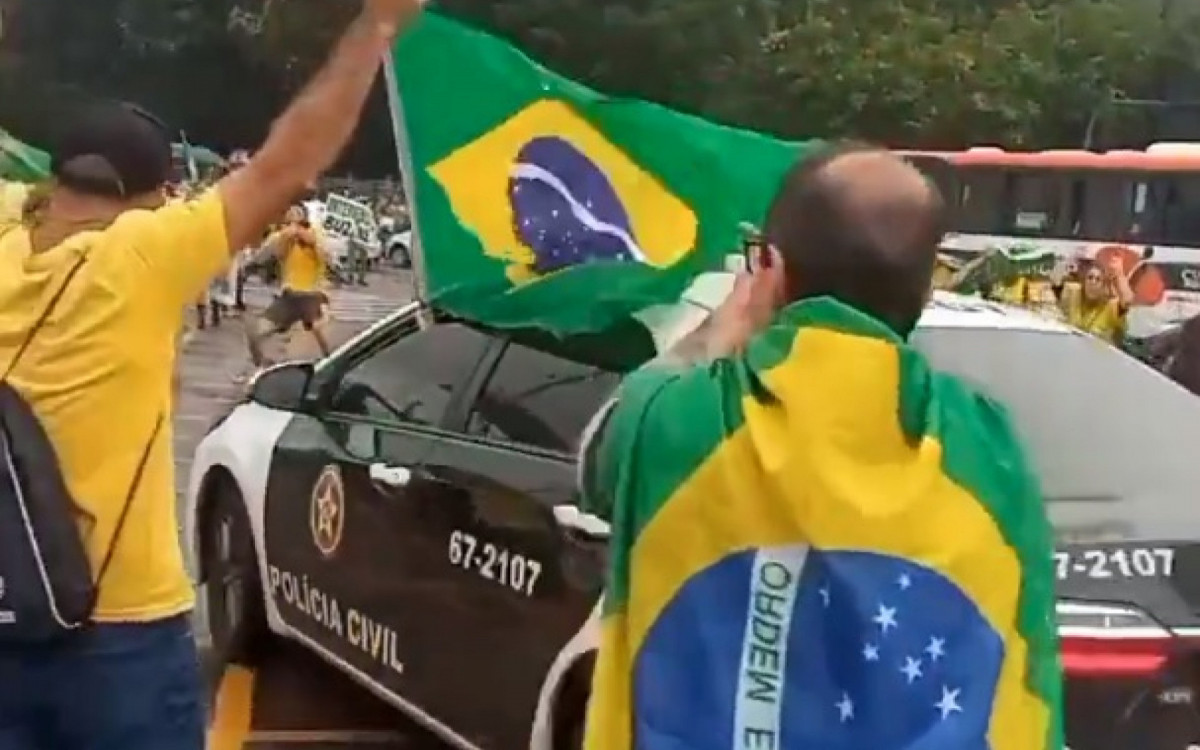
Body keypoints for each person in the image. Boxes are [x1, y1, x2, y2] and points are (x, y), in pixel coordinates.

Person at [0, 1, 424, 748]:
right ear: (156, 195)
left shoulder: (9, 224)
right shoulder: (140, 254)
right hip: (116, 629)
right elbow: (287, 164)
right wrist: (379, 26)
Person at [578, 144, 1061, 750]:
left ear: (770, 271)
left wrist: (717, 335)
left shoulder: (681, 419)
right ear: (921, 291)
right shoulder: (988, 446)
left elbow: (600, 465)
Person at [243, 204, 333, 372]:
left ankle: (332, 362)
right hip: (289, 297)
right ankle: (263, 366)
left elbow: (328, 254)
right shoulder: (282, 237)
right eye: (289, 214)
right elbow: (265, 253)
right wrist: (250, 263)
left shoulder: (316, 233)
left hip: (312, 295)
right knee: (255, 333)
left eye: (296, 214)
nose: (291, 218)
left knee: (319, 329)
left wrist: (306, 237)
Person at [1052, 254, 1133, 345]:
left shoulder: (1110, 307)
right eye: (1090, 277)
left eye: (1098, 279)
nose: (1093, 282)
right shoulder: (1074, 294)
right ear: (1084, 282)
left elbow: (1127, 301)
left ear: (1104, 287)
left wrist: (1119, 275)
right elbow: (1055, 283)